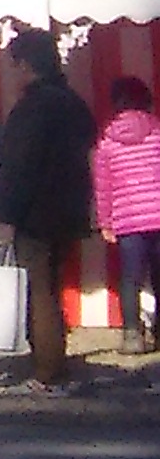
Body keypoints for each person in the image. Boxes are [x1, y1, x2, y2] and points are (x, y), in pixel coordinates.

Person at [0, 27, 98, 391]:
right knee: (52, 285)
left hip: (35, 212)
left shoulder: (33, 107)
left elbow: (19, 166)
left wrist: (7, 215)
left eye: (16, 64)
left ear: (26, 64)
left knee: (40, 291)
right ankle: (55, 363)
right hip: (68, 209)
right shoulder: (73, 102)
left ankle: (47, 371)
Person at [93, 75, 160, 354]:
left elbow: (103, 187)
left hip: (127, 221)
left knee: (130, 278)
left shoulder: (107, 143)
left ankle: (132, 335)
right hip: (158, 215)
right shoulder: (157, 133)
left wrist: (105, 222)